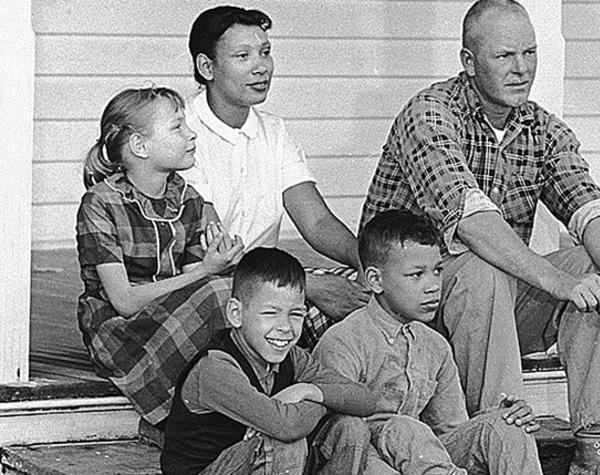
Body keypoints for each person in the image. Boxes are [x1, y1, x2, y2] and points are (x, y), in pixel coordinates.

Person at [360, 1, 600, 473]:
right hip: (409, 306)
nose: (522, 69)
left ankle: (594, 453)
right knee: (480, 267)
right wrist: (557, 282)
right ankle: (503, 443)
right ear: (469, 62)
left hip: (488, 316)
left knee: (595, 268)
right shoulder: (429, 114)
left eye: (530, 53)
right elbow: (471, 221)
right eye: (505, 56)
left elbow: (591, 206)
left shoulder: (541, 127)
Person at [182, 6, 368, 348]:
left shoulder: (274, 131)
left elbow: (316, 222)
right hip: (209, 285)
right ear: (206, 67)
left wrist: (365, 263)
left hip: (270, 284)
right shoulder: (182, 132)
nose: (261, 66)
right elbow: (212, 250)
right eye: (243, 55)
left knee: (372, 300)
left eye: (265, 52)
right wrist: (305, 284)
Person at [313, 210, 543, 474]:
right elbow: (338, 439)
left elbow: (451, 431)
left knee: (507, 424)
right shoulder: (344, 341)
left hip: (422, 460)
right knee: (404, 428)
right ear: (375, 280)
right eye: (416, 275)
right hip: (364, 461)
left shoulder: (435, 346)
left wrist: (500, 418)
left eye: (437, 271)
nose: (433, 286)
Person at [76, 87, 245, 425]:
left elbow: (198, 284)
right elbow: (123, 300)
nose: (191, 133)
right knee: (221, 293)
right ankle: (193, 418)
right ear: (140, 146)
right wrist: (208, 273)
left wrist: (218, 263)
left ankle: (239, 401)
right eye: (177, 127)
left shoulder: (188, 198)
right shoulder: (101, 203)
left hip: (173, 316)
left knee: (246, 294)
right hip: (121, 330)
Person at [161, 247, 378, 475]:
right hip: (208, 470)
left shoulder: (292, 357)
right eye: (270, 313)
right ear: (236, 313)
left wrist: (309, 391)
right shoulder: (216, 367)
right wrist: (326, 403)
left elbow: (366, 400)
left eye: (295, 314)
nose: (285, 327)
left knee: (350, 427)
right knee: (283, 443)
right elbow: (286, 426)